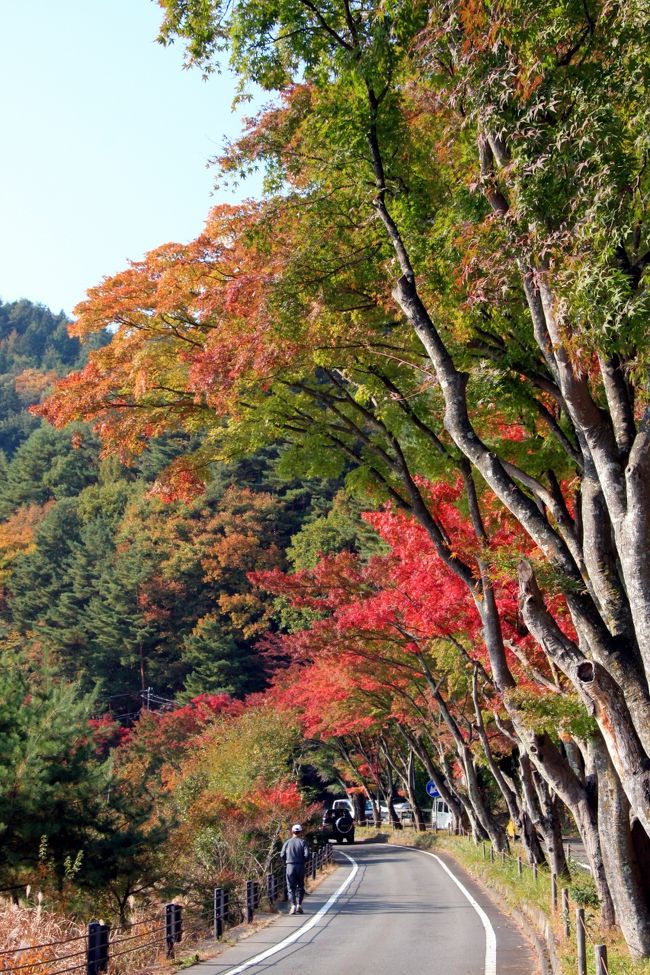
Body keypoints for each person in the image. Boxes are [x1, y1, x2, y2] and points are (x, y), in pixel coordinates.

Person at [280, 823, 310, 914]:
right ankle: (299, 905)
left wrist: (287, 860)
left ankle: (293, 905)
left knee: (290, 887)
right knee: (301, 886)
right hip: (300, 866)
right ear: (300, 832)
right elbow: (307, 855)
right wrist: (304, 860)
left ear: (292, 832)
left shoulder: (287, 842)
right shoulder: (303, 842)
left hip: (290, 866)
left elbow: (282, 855)